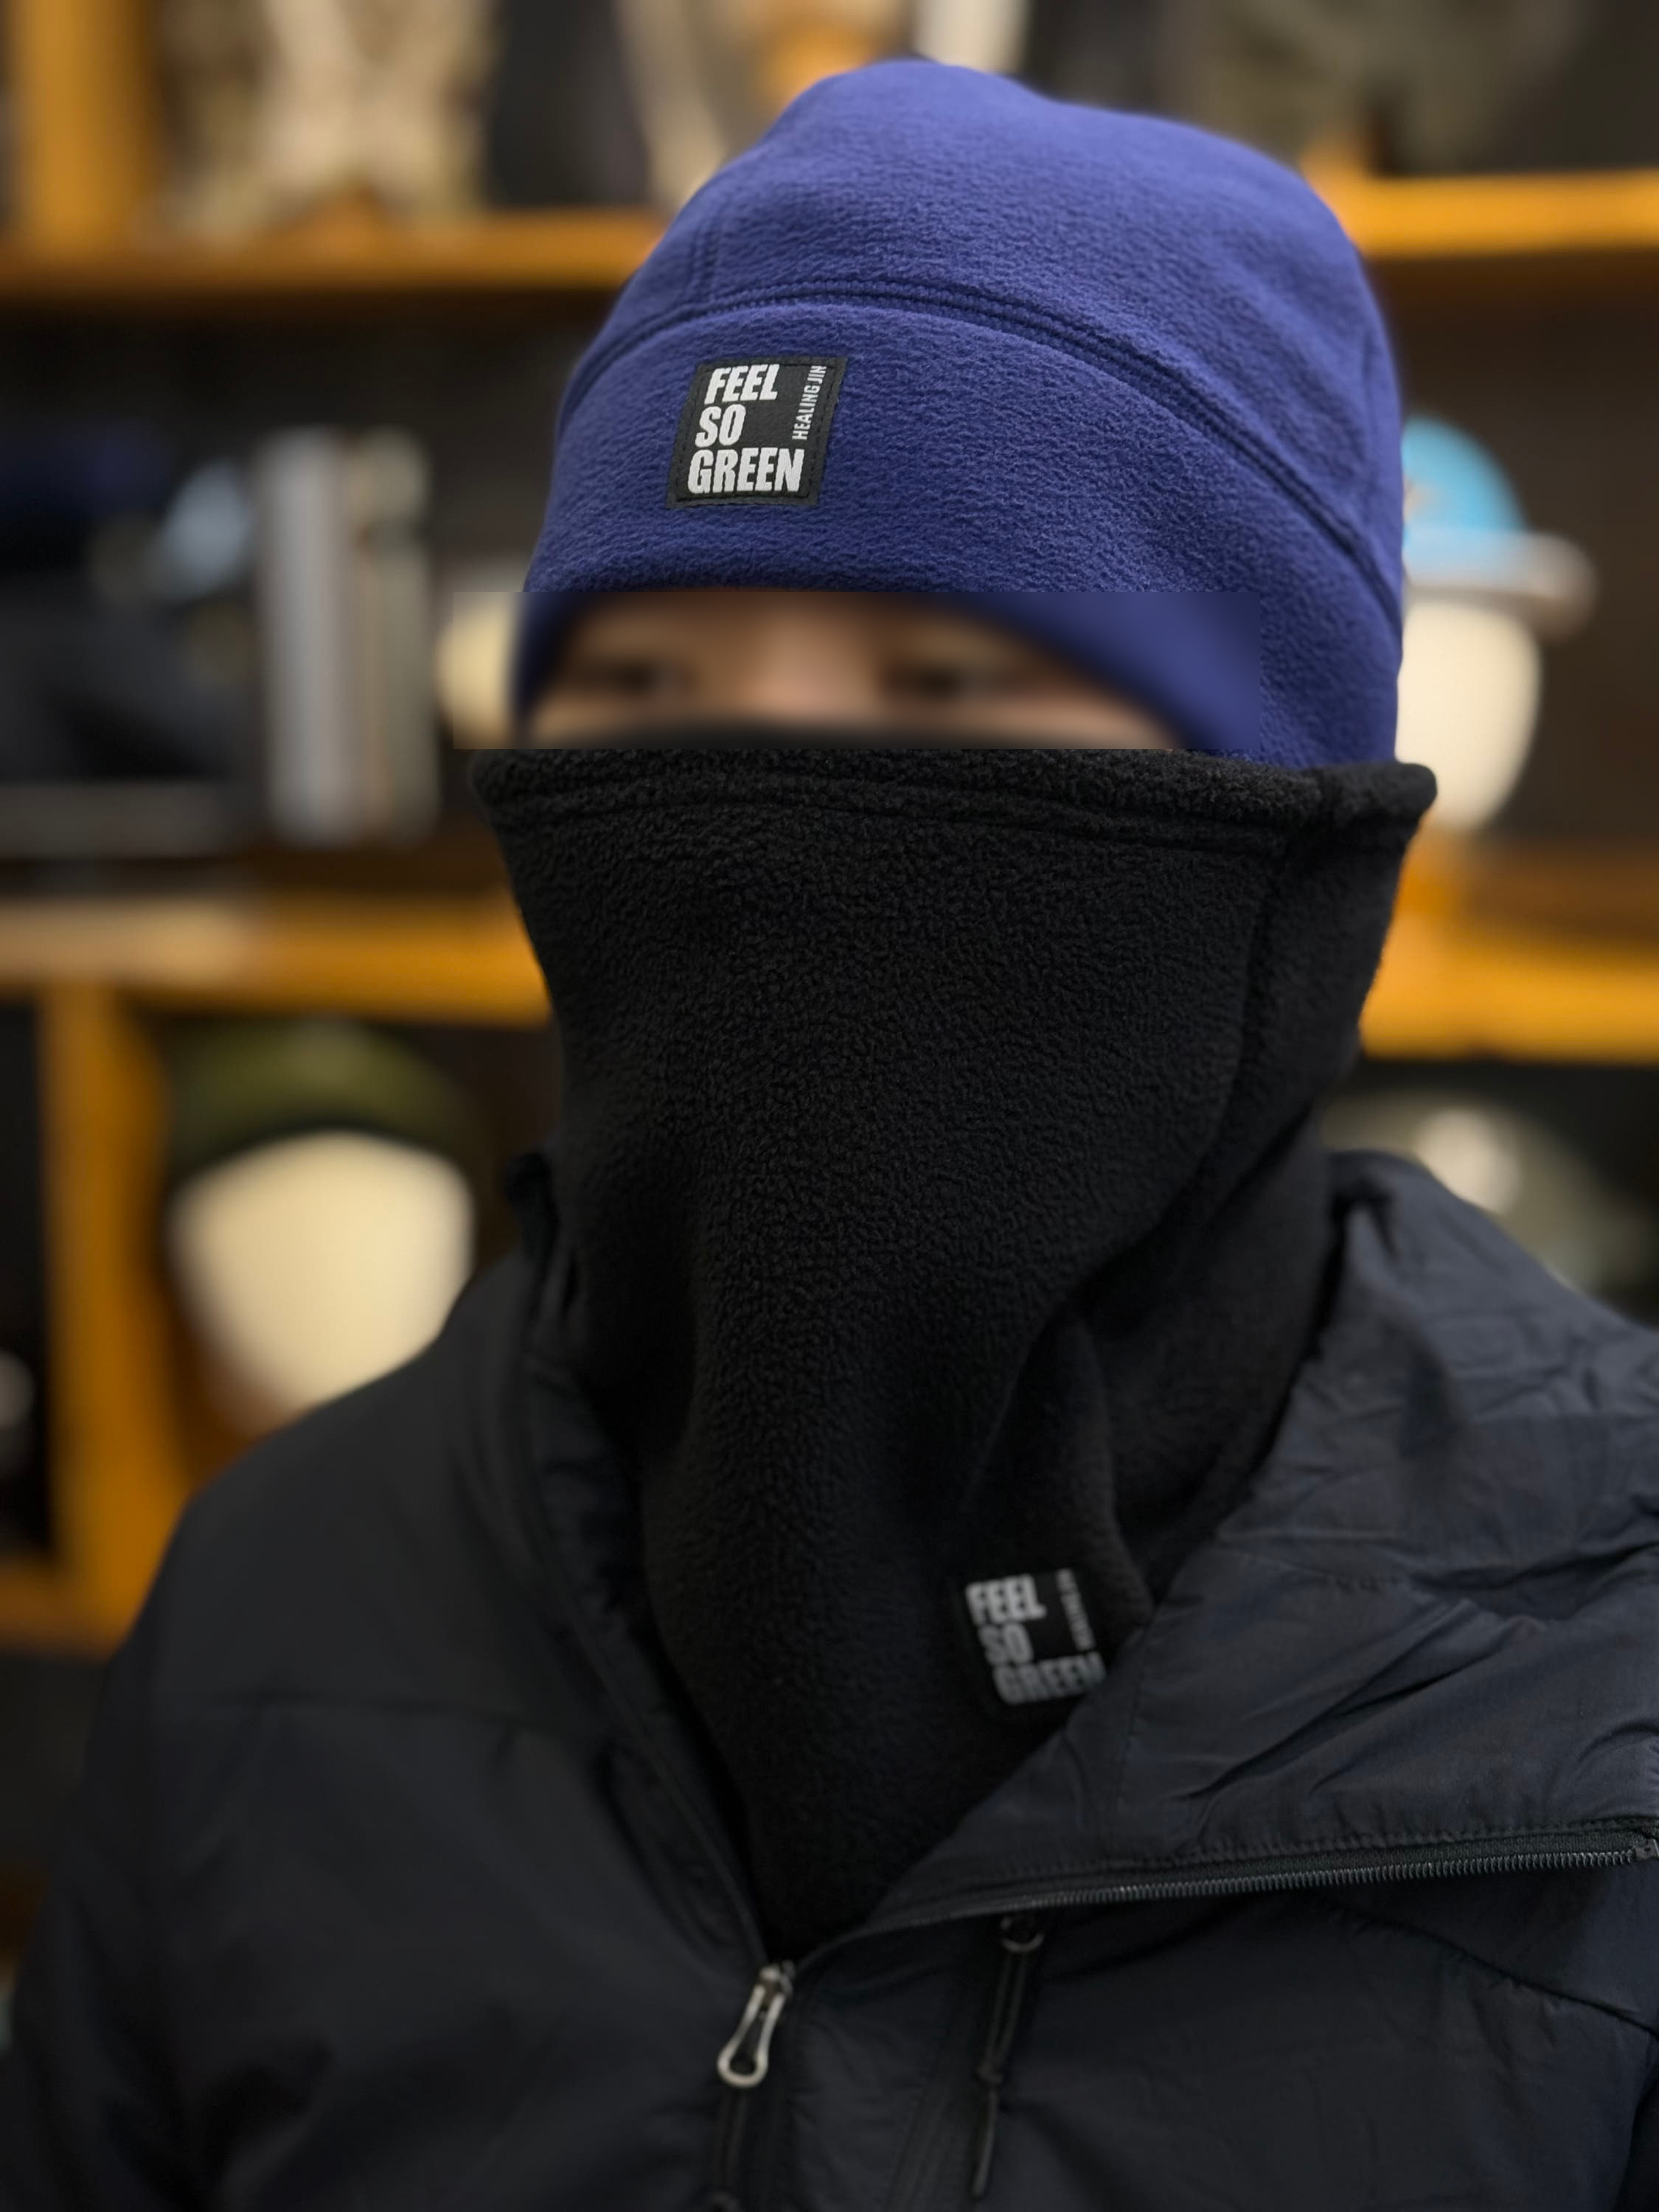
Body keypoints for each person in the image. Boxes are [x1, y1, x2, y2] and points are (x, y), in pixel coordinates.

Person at [6, 60, 1659, 2212]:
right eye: (650, 694)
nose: (754, 815)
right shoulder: (274, 1608)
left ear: (1294, 821)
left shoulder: (1611, 1678)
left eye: (945, 689)